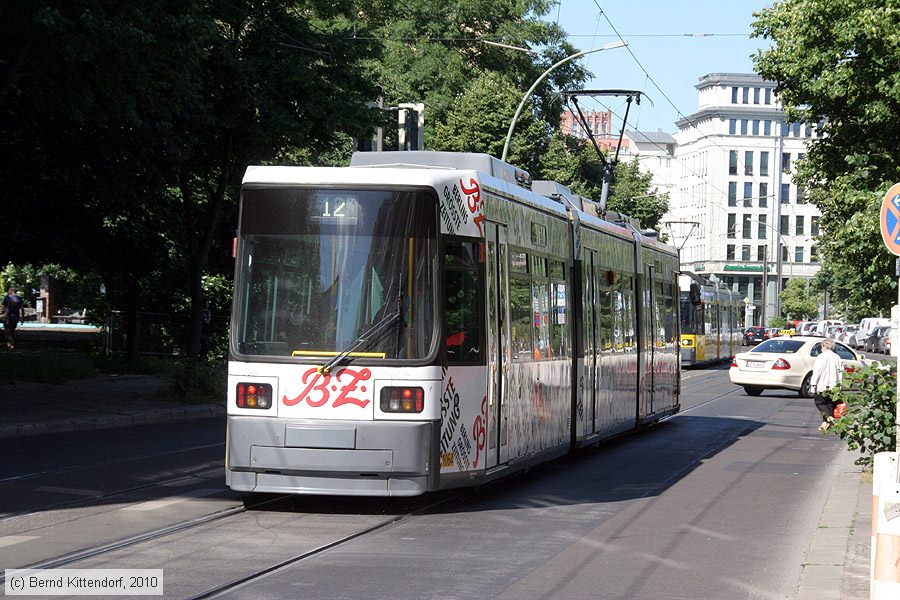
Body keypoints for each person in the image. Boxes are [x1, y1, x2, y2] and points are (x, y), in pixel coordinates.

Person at [810, 338, 843, 431]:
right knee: (829, 404)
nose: (821, 349)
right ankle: (825, 423)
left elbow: (817, 372)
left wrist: (813, 385)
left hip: (822, 384)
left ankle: (829, 417)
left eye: (821, 346)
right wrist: (839, 385)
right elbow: (840, 372)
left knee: (819, 402)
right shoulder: (837, 357)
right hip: (834, 385)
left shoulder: (821, 357)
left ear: (824, 346)